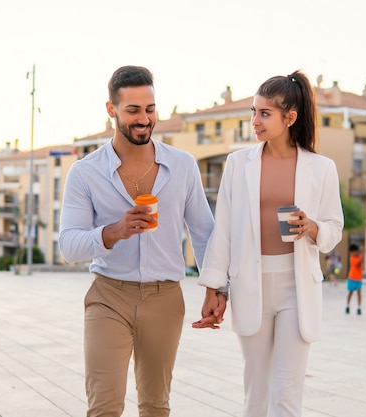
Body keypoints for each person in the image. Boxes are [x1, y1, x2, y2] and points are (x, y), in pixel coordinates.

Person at [59, 65, 214, 417]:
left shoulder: (183, 166)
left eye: (150, 109)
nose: (144, 119)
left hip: (165, 298)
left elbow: (204, 231)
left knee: (156, 406)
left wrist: (215, 286)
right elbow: (69, 245)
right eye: (133, 111)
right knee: (104, 407)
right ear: (111, 110)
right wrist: (115, 231)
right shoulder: (86, 172)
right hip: (108, 296)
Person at [192, 70, 344, 417]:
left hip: (297, 288)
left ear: (289, 118)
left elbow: (334, 228)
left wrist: (313, 227)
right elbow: (225, 229)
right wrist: (214, 287)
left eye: (264, 113)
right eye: (253, 111)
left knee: (287, 393)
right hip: (250, 285)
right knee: (256, 392)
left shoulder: (322, 168)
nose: (254, 121)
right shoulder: (237, 164)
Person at [345, 243, 364, 315]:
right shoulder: (352, 258)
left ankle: (359, 307)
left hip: (359, 278)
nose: (353, 253)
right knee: (350, 292)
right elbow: (359, 263)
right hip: (352, 278)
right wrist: (362, 252)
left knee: (359, 293)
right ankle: (347, 305)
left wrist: (361, 252)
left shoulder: (359, 256)